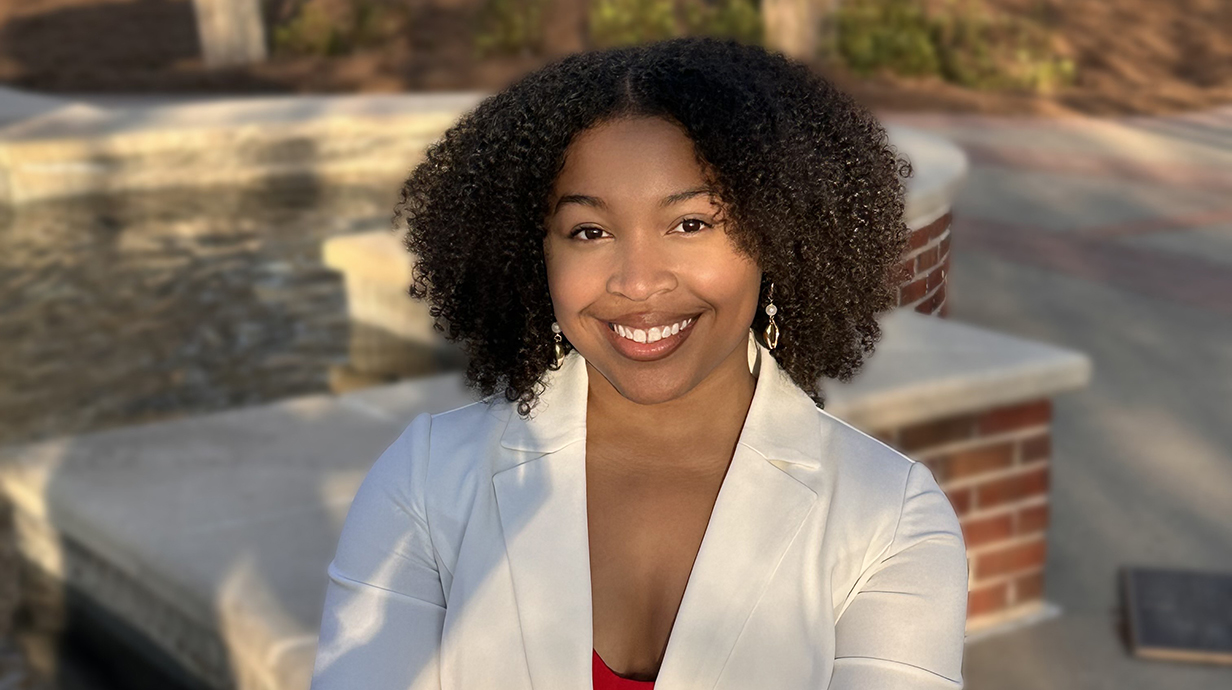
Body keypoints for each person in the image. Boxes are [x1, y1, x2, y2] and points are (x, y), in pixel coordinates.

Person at [310, 36, 968, 690]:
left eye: (690, 224)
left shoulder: (888, 517)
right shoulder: (426, 482)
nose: (638, 282)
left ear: (778, 234)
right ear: (532, 257)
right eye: (589, 232)